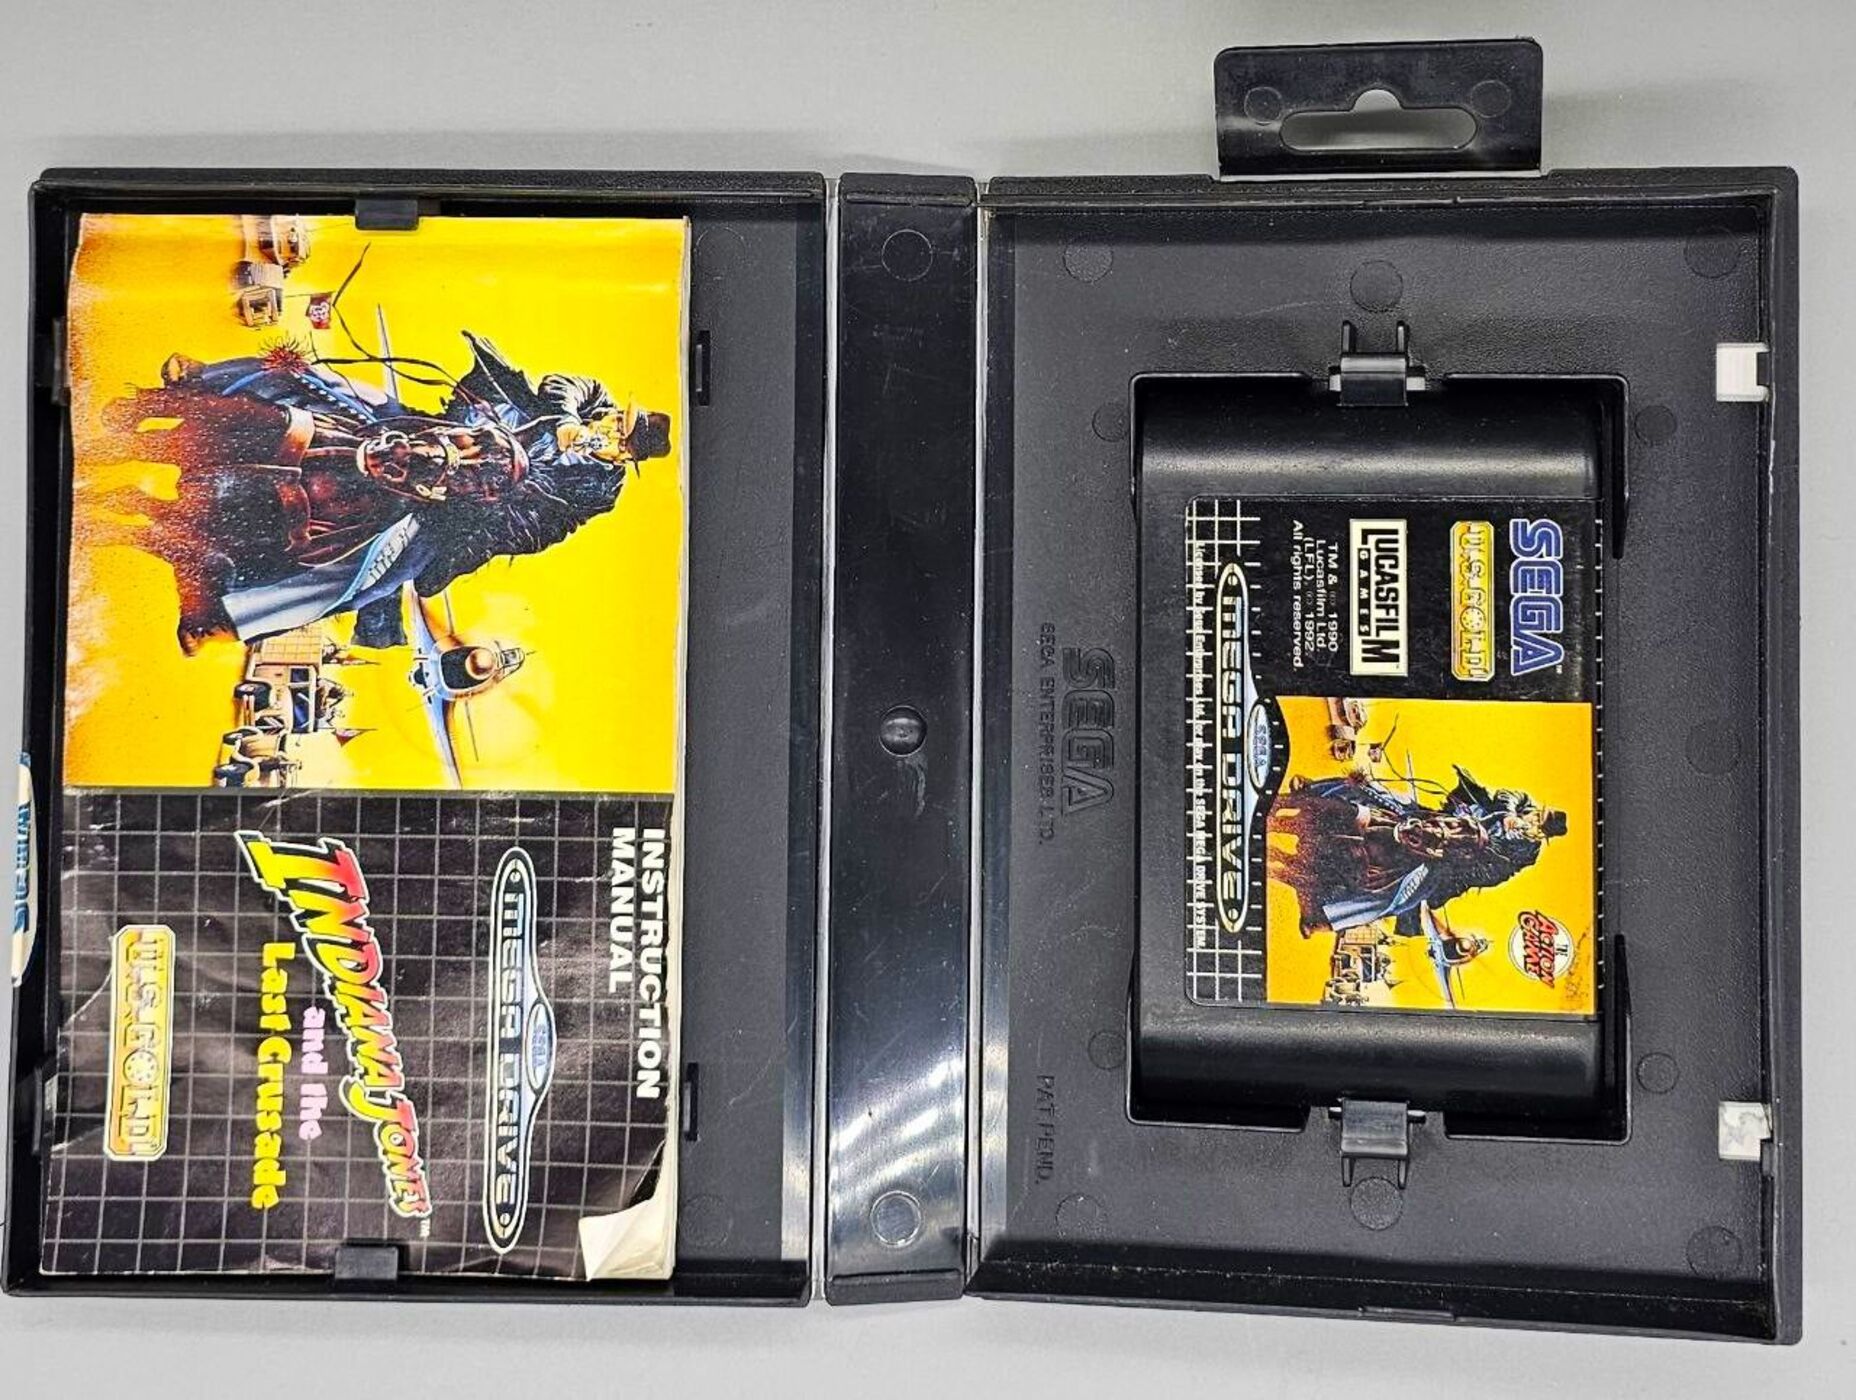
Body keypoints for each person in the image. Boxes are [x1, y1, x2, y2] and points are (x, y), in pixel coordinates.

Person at [83, 333, 671, 652]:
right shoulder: (589, 402)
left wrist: (483, 514)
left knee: (368, 579)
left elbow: (540, 531)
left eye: (620, 438)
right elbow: (563, 384)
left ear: (626, 457)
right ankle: (202, 380)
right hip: (445, 430)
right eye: (617, 421)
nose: (611, 429)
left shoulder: (598, 489)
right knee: (330, 384)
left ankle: (221, 616)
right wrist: (562, 418)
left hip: (458, 507)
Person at [1269, 764, 1566, 936]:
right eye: (1537, 814)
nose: (1533, 819)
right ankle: (1315, 790)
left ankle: (1321, 920)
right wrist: (1508, 812)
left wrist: (1463, 857)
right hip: (1443, 820)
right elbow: (1507, 795)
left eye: (1539, 822)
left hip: (1445, 862)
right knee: (1381, 793)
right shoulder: (1522, 804)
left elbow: (1492, 875)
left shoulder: (1525, 852)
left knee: (1394, 899)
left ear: (1543, 834)